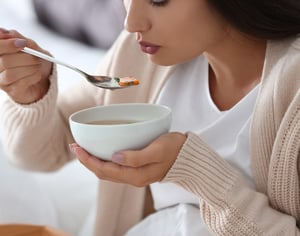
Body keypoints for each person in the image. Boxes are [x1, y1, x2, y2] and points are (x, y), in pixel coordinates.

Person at [0, 0, 299, 235]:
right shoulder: (140, 55)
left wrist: (193, 169)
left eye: (158, 0)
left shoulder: (292, 93)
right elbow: (39, 154)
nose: (131, 23)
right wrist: (32, 94)